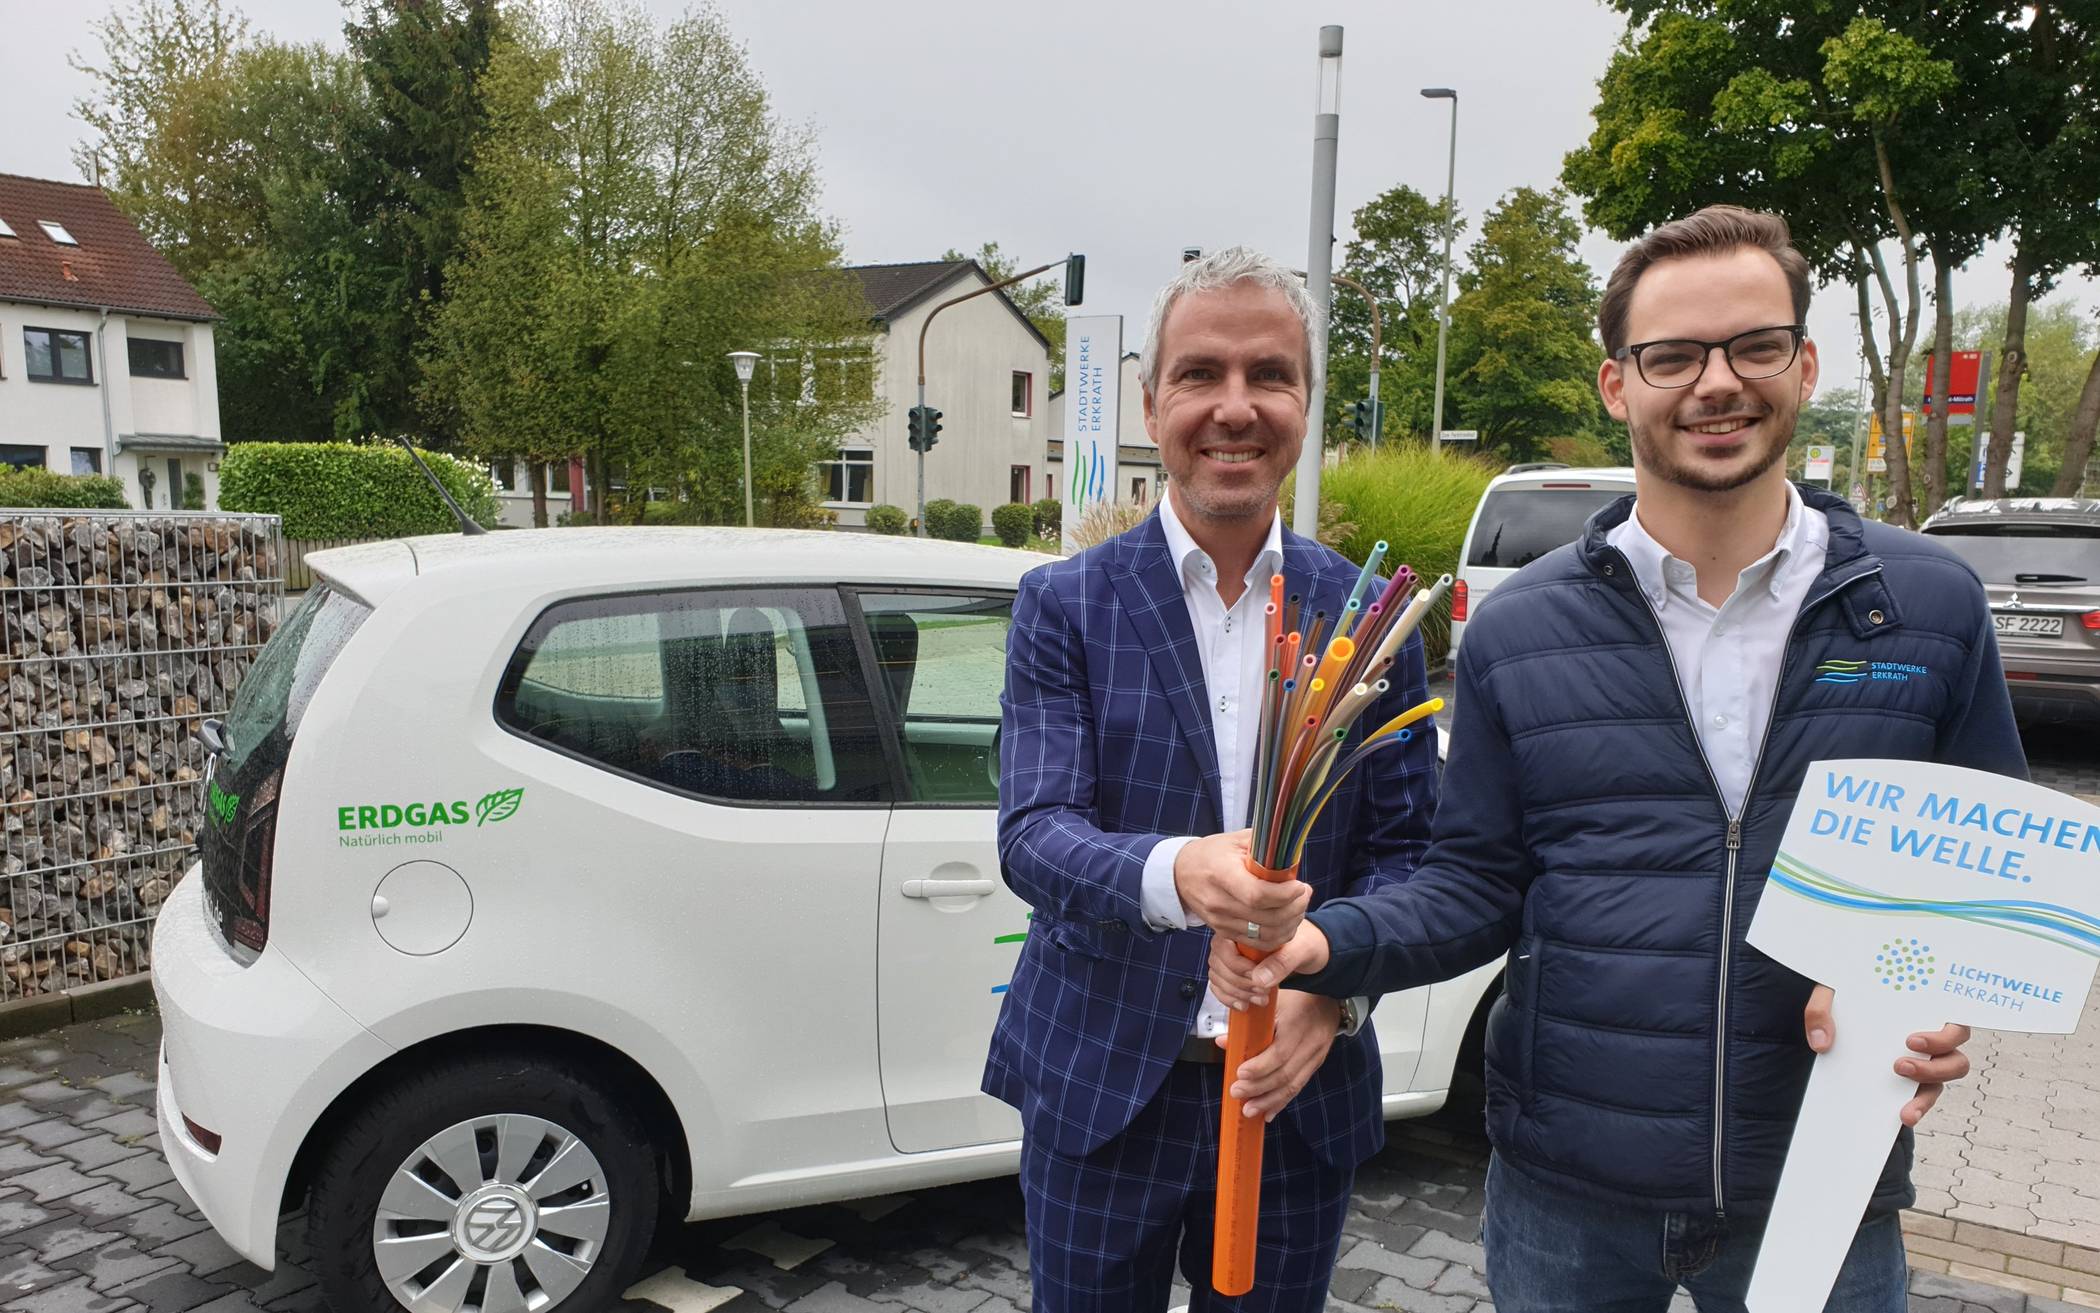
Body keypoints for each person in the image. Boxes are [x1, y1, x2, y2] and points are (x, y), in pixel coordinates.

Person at [1207, 205, 2024, 1312]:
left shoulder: (1926, 607)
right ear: (1617, 384)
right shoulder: (1524, 627)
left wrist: (1920, 993)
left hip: (1821, 1174)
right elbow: (1474, 883)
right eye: (1674, 356)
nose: (1717, 383)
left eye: (1754, 345)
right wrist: (1324, 941)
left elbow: (1987, 878)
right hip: (1569, 1192)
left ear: (1805, 361)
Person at [984, 246, 1438, 1312]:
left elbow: (1412, 853)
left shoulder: (1369, 621)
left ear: (1305, 401)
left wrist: (1332, 991)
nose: (1234, 407)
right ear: (1151, 399)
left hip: (1296, 1089)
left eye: (1268, 374)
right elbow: (1034, 832)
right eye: (1201, 374)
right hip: (1101, 1087)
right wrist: (1181, 871)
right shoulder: (1067, 605)